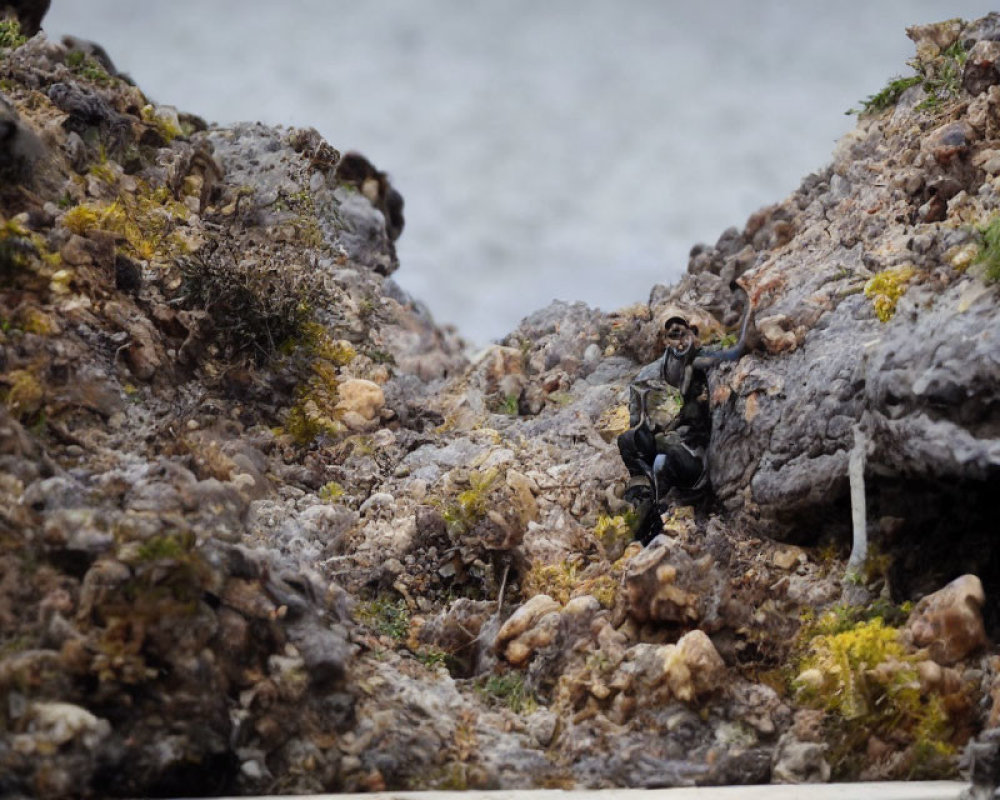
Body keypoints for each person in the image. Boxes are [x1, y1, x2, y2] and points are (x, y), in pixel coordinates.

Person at [617, 285, 755, 544]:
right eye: (672, 336)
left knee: (665, 460)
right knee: (628, 441)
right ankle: (643, 492)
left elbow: (737, 351)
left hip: (693, 451)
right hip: (668, 439)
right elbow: (640, 400)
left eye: (683, 335)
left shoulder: (701, 359)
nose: (679, 342)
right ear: (665, 340)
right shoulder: (661, 367)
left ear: (693, 334)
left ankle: (669, 512)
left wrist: (750, 308)